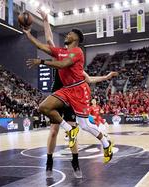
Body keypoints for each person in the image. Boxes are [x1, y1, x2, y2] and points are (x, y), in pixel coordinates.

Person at [36, 9, 118, 178]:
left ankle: (76, 163)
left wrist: (106, 77)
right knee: (53, 130)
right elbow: (49, 38)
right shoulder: (60, 53)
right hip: (59, 92)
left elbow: (87, 79)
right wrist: (45, 21)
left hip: (73, 93)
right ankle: (49, 162)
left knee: (76, 128)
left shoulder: (74, 60)